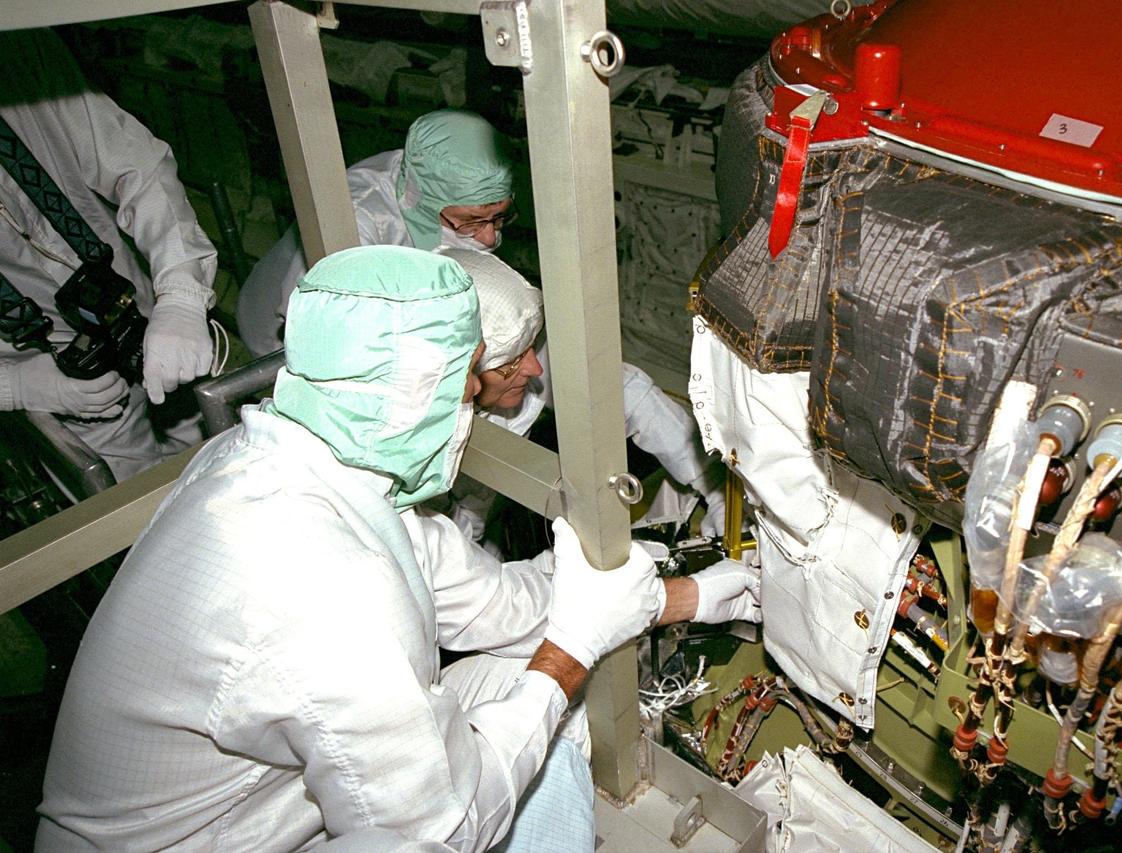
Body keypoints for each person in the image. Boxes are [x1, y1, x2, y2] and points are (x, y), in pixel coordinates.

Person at [37, 245, 760, 851]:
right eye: (470, 377)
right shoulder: (319, 587)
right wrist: (572, 649)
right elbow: (445, 829)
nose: (482, 391)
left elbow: (497, 605)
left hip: (252, 798)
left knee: (525, 679)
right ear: (419, 394)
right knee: (543, 710)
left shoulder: (292, 464)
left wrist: (684, 595)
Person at [0, 29, 215, 481]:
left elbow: (138, 164)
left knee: (214, 454)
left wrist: (180, 295)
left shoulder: (17, 44)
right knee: (136, 500)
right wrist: (14, 386)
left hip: (139, 306)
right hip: (49, 372)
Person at [440, 247, 729, 545]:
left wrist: (715, 487)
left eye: (530, 348)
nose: (535, 368)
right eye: (511, 362)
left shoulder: (509, 349)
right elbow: (447, 559)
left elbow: (627, 395)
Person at [236, 109, 514, 358]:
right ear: (423, 200)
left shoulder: (435, 171)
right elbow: (317, 331)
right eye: (470, 222)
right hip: (281, 341)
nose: (489, 238)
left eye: (498, 218)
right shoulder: (355, 222)